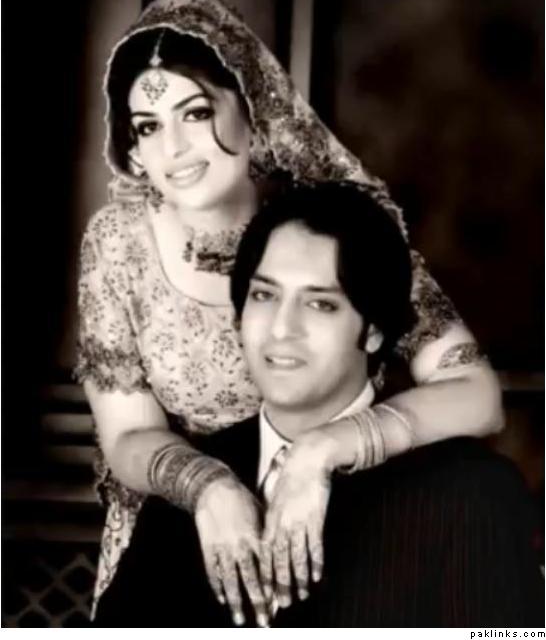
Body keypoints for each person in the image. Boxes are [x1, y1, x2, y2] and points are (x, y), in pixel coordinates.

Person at [76, 0, 504, 624]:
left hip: (341, 507)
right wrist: (209, 488)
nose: (174, 148)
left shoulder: (328, 229)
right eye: (148, 126)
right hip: (185, 531)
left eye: (196, 113)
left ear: (252, 109)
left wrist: (322, 451)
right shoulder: (119, 243)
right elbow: (127, 434)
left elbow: (477, 395)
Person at [93, 182, 543, 627]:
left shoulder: (468, 492)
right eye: (265, 296)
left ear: (373, 331)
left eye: (320, 304)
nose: (281, 328)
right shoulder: (194, 493)